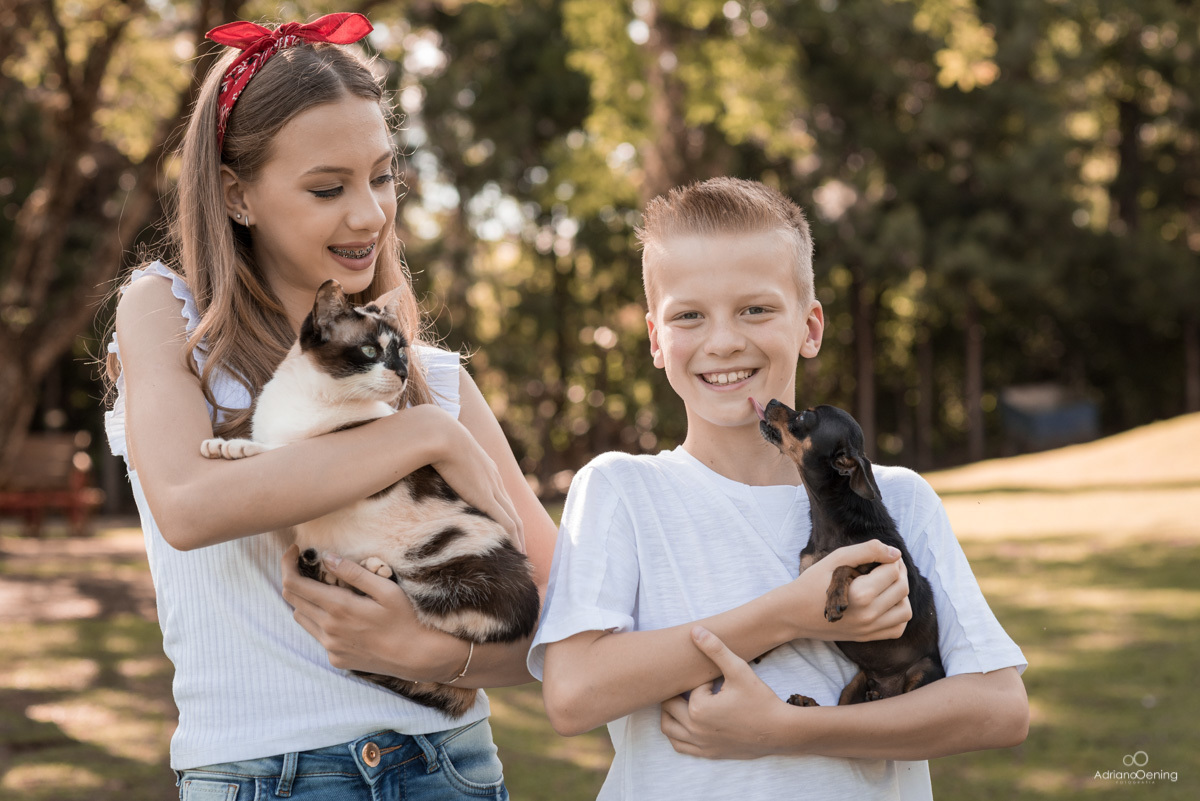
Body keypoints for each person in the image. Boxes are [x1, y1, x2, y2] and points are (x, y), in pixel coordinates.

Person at [103, 13, 555, 800]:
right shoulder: (168, 321)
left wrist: (424, 652)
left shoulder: (434, 379)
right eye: (327, 187)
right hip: (261, 776)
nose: (369, 215)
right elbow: (189, 501)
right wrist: (422, 437)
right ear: (238, 193)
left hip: (448, 767)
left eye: (381, 176)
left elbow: (559, 625)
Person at [529, 177, 1029, 800]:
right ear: (657, 339)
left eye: (755, 309)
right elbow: (574, 696)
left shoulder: (897, 500)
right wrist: (789, 613)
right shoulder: (621, 491)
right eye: (689, 316)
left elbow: (998, 707)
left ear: (810, 327)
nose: (723, 341)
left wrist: (784, 729)